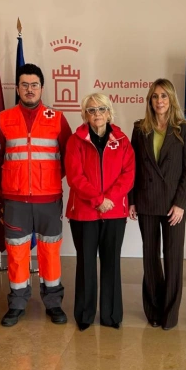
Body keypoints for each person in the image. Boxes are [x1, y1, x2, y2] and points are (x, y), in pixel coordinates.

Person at [0, 63, 72, 326]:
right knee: (16, 253)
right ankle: (17, 305)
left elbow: (69, 158)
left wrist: (48, 180)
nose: (30, 90)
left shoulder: (57, 118)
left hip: (48, 200)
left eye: (34, 85)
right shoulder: (4, 118)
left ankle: (53, 304)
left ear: (42, 87)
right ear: (17, 88)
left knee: (50, 253)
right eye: (25, 85)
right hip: (15, 199)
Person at [65, 93, 135, 331]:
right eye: (92, 110)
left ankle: (111, 315)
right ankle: (84, 316)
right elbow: (75, 177)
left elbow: (128, 175)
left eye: (101, 109)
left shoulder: (123, 140)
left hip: (114, 212)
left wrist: (109, 200)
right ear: (85, 114)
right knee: (85, 264)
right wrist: (97, 200)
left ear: (109, 112)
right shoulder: (75, 141)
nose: (97, 114)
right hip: (84, 212)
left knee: (111, 263)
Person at [129, 79, 186, 331]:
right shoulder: (140, 128)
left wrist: (180, 204)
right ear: (150, 100)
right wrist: (132, 200)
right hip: (146, 201)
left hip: (173, 205)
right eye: (155, 96)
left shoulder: (184, 128)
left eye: (164, 96)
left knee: (173, 258)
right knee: (150, 259)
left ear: (171, 100)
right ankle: (153, 310)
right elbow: (133, 167)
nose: (159, 101)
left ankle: (170, 313)